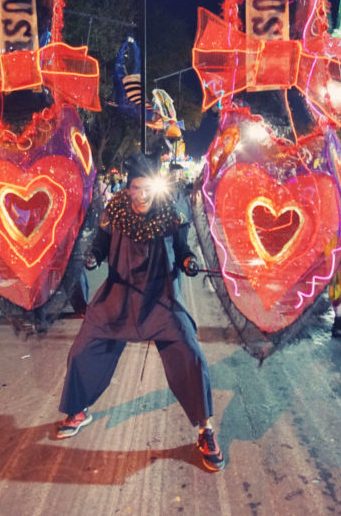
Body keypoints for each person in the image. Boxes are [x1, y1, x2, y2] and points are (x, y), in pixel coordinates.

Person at [56, 154, 224, 472]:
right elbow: (100, 246)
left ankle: (206, 429)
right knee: (82, 352)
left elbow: (183, 248)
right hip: (117, 299)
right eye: (136, 188)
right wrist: (92, 257)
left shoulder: (172, 214)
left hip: (159, 299)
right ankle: (78, 409)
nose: (142, 194)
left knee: (191, 355)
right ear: (129, 189)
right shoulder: (113, 213)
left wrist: (187, 263)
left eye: (148, 188)